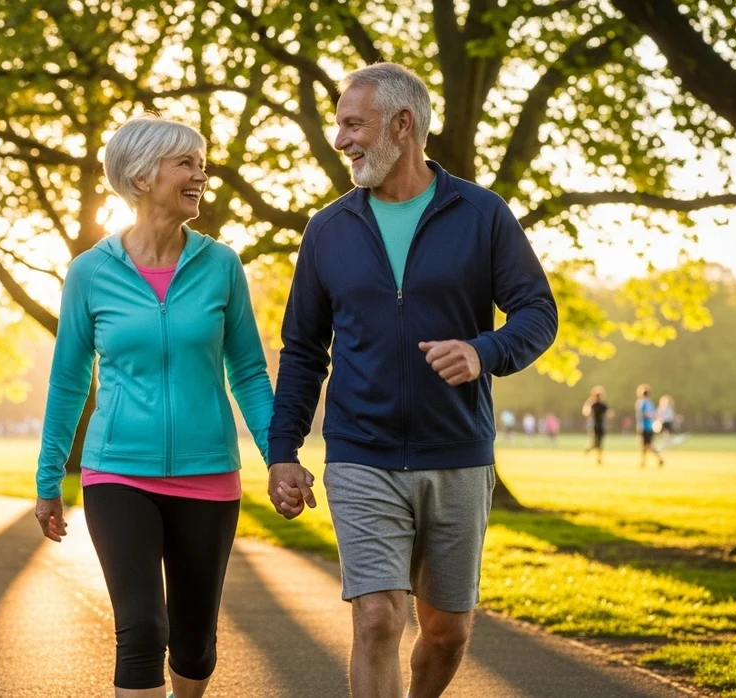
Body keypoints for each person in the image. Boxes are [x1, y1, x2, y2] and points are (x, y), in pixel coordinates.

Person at [267, 64, 558, 698]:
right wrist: (283, 451)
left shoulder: (481, 214)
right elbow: (302, 348)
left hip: (455, 452)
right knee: (376, 618)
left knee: (447, 629)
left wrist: (485, 352)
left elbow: (538, 312)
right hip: (360, 453)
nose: (340, 140)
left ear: (404, 125)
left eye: (353, 125)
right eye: (340, 125)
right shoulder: (328, 229)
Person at [34, 115, 273, 698]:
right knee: (142, 629)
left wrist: (281, 456)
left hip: (209, 475)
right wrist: (48, 478)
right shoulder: (90, 272)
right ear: (142, 177)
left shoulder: (221, 266)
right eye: (186, 164)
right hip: (118, 472)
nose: (201, 176)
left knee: (194, 644)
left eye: (202, 163)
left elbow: (247, 371)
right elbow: (68, 381)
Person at [635, 384, 664, 468]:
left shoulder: (642, 403)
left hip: (645, 427)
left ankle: (659, 458)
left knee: (648, 445)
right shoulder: (649, 403)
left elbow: (645, 414)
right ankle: (643, 462)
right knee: (644, 445)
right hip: (648, 426)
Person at [582, 386, 612, 465]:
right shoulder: (592, 404)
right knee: (596, 443)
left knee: (600, 443)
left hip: (601, 425)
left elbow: (610, 413)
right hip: (594, 426)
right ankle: (590, 451)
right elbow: (586, 412)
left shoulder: (603, 405)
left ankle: (598, 458)